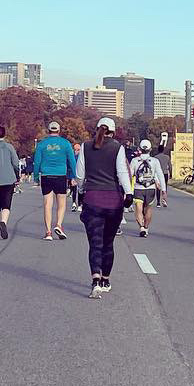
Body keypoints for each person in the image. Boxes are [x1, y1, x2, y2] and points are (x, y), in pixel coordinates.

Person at [74, 117, 132, 298]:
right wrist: (129, 192)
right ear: (113, 132)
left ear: (97, 129)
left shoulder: (85, 146)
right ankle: (106, 279)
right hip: (113, 201)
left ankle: (96, 280)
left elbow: (80, 175)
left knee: (95, 243)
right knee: (108, 242)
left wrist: (81, 190)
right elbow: (122, 172)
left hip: (92, 199)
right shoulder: (117, 148)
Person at [32, 120, 78, 241]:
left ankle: (48, 232)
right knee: (61, 203)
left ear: (48, 131)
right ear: (59, 131)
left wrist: (36, 177)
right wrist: (74, 176)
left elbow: (37, 162)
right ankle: (58, 225)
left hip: (46, 175)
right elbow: (72, 161)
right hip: (60, 175)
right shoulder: (66, 143)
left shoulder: (42, 144)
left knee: (48, 204)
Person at [128, 138, 166, 237]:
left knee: (138, 208)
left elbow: (130, 175)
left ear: (140, 149)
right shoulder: (155, 161)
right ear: (150, 149)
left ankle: (141, 227)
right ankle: (146, 227)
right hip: (151, 188)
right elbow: (160, 175)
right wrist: (163, 190)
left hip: (138, 188)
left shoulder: (135, 161)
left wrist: (126, 189)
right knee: (148, 208)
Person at [154, 138, 173, 208]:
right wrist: (171, 173)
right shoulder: (167, 157)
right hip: (165, 173)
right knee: (164, 187)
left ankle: (158, 202)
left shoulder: (156, 157)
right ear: (163, 150)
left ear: (158, 150)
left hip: (158, 174)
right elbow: (170, 166)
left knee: (158, 188)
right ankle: (164, 200)